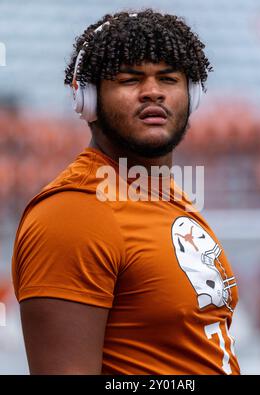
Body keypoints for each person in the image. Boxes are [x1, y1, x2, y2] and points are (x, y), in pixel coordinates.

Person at [12, 9, 240, 375]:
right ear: (87, 99)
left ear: (192, 95)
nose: (153, 92)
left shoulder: (168, 195)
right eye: (129, 80)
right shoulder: (73, 213)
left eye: (168, 79)